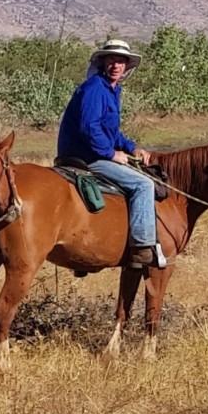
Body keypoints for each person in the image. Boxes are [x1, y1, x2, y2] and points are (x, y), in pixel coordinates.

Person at [58, 39, 164, 269]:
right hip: (86, 156)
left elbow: (110, 131)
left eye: (120, 61)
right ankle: (142, 248)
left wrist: (132, 147)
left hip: (90, 152)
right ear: (103, 62)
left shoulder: (112, 90)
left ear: (127, 66)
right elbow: (89, 127)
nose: (116, 65)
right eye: (111, 60)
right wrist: (111, 153)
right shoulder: (95, 88)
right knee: (143, 185)